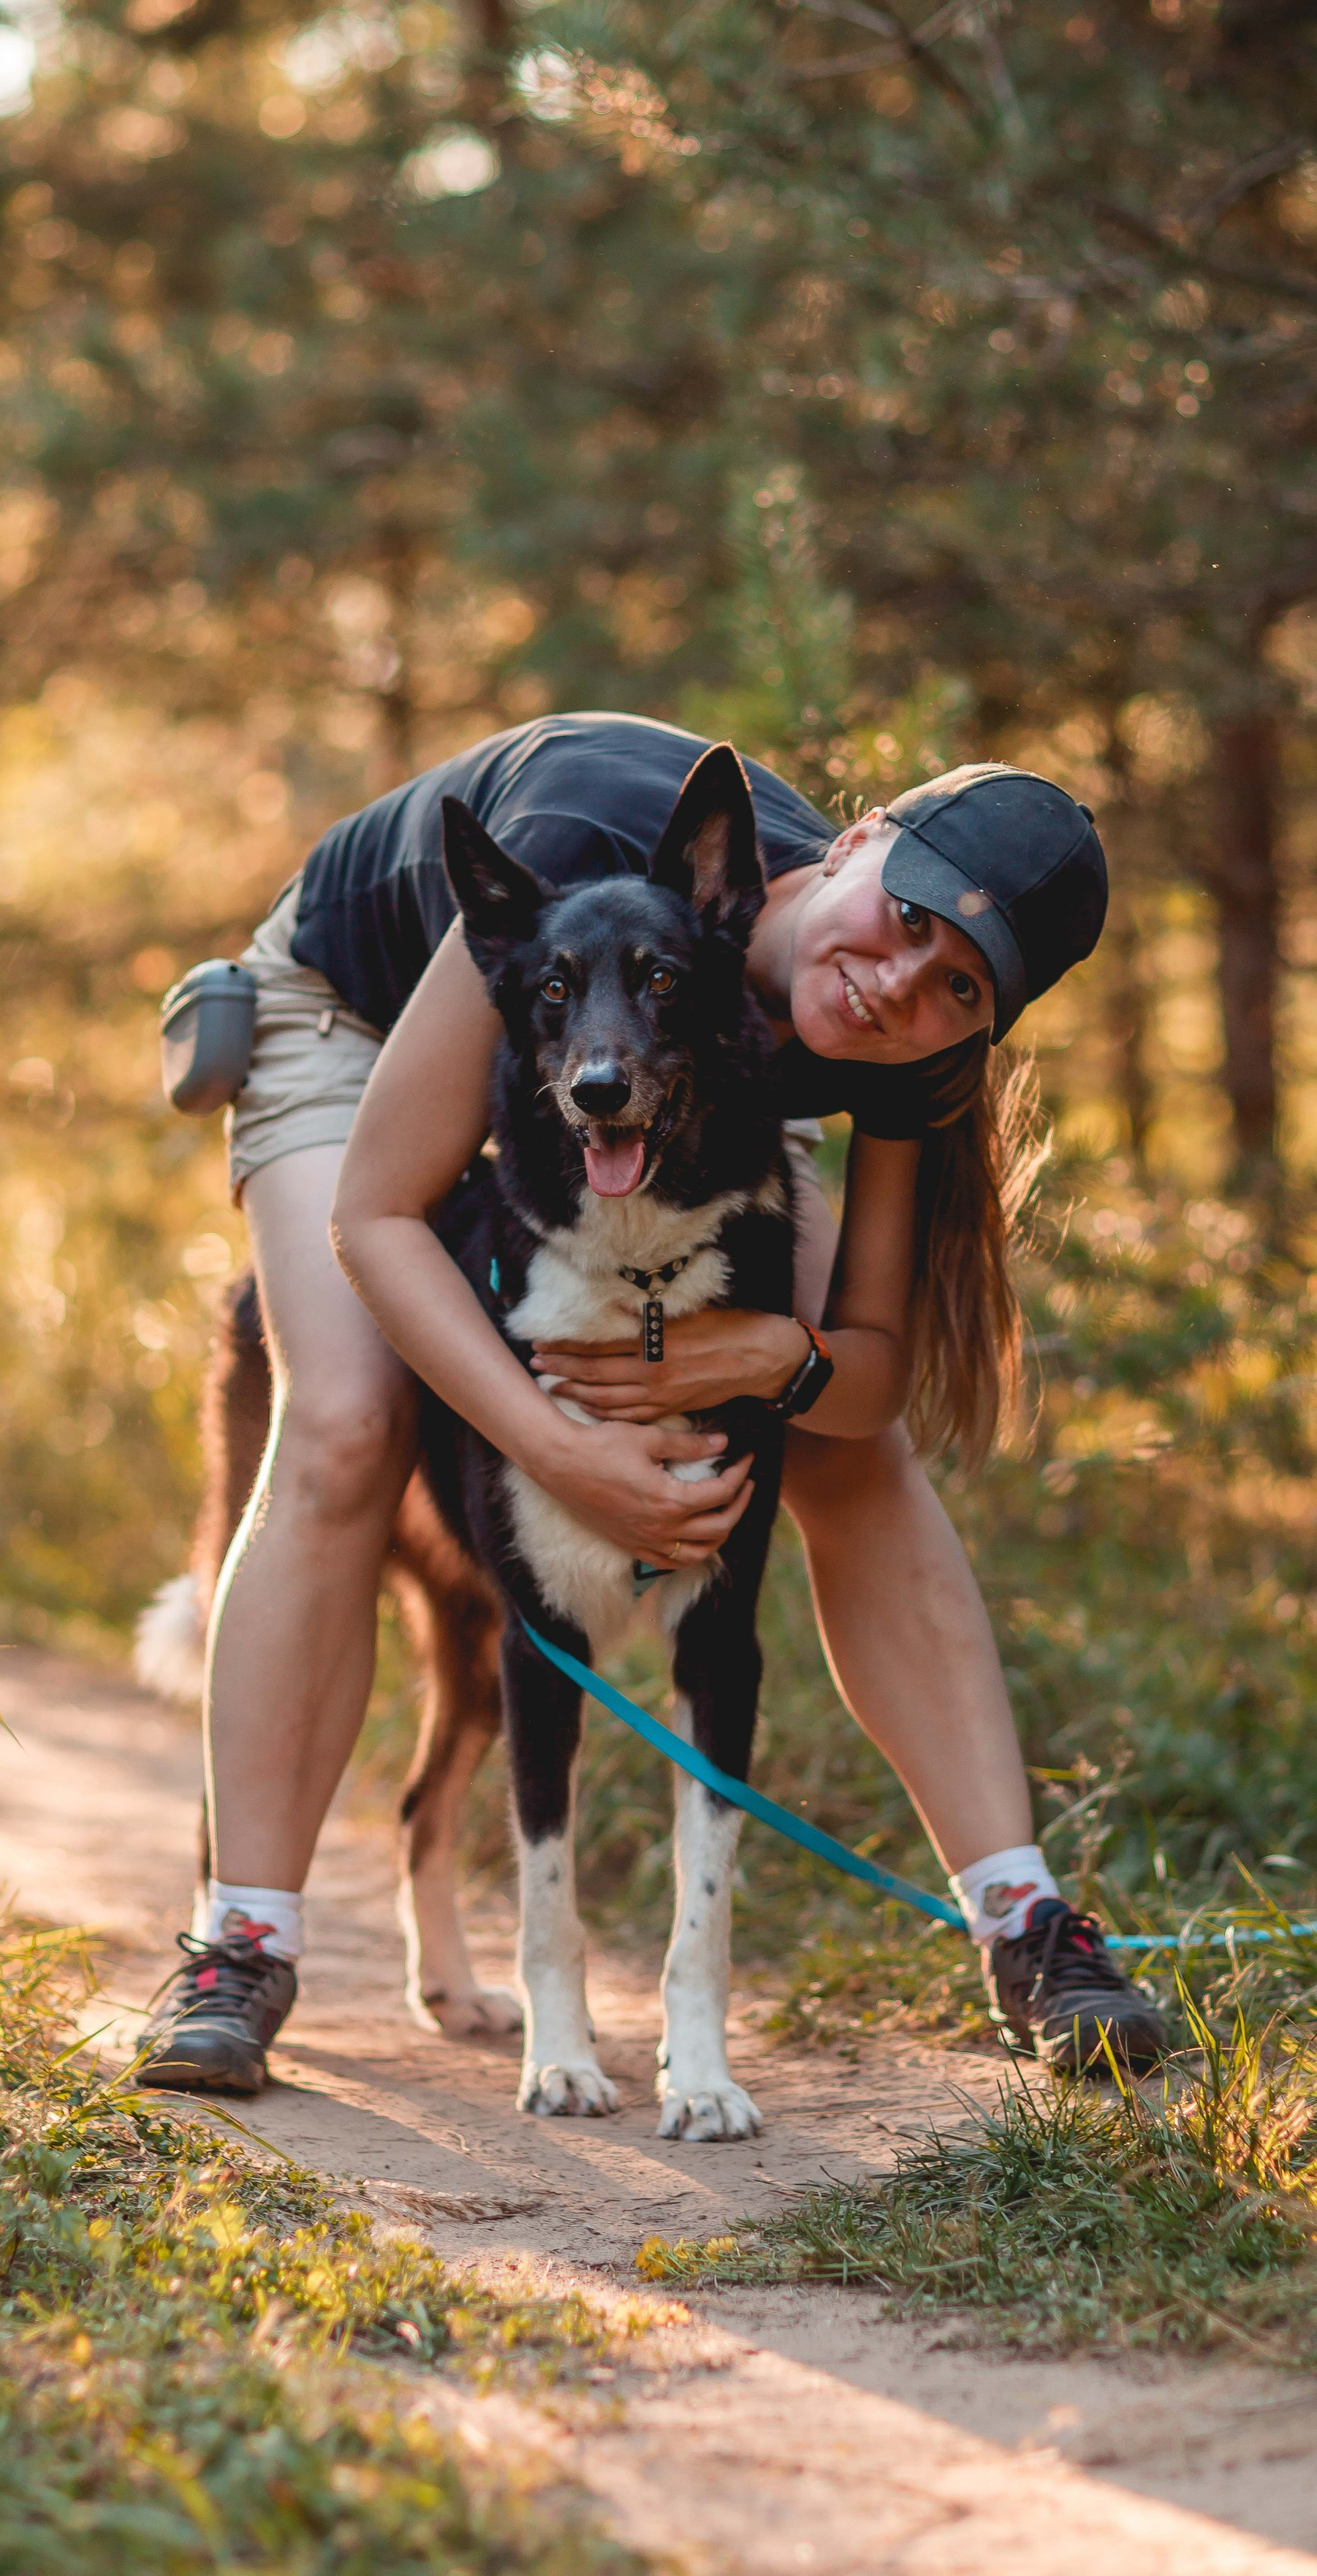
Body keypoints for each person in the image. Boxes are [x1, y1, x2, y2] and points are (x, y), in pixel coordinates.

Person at [139, 713, 1168, 2094]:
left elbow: (858, 1375)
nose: (898, 986)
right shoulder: (602, 842)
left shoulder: (893, 1043)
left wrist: (760, 1361)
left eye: (959, 988)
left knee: (858, 1467)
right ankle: (240, 1942)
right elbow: (379, 1214)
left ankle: (1026, 1924)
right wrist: (564, 1449)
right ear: (856, 843)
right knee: (348, 1418)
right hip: (363, 1020)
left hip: (669, 1062)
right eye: (908, 917)